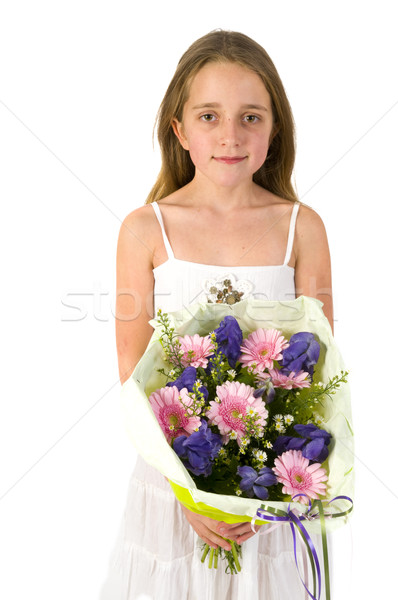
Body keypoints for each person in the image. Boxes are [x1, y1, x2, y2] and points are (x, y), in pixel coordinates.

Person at [101, 29, 333, 599]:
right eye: (209, 116)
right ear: (179, 129)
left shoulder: (302, 228)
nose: (230, 135)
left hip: (268, 500)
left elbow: (320, 370)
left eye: (251, 117)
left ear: (275, 130)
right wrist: (188, 495)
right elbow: (134, 375)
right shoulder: (143, 230)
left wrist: (271, 492)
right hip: (172, 488)